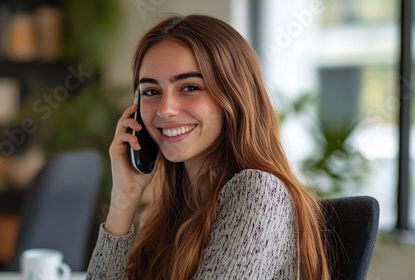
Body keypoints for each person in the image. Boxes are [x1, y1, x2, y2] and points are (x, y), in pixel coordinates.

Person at [86, 14, 330, 279]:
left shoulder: (258, 193)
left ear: (233, 96)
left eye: (189, 87)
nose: (165, 110)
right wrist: (126, 195)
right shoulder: (168, 214)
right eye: (151, 92)